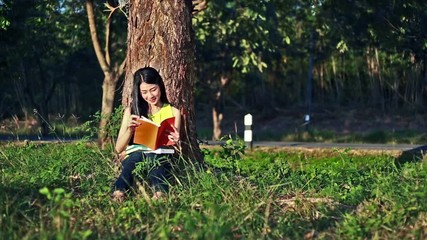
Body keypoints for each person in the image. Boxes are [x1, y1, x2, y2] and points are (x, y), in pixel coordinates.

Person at [112, 67, 181, 202]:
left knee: (158, 161)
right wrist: (130, 130)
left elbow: (176, 149)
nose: (150, 96)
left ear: (160, 86)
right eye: (144, 92)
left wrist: (177, 141)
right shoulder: (131, 111)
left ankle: (160, 194)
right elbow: (118, 148)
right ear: (138, 92)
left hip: (160, 153)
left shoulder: (173, 112)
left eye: (153, 89)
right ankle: (119, 192)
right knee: (131, 162)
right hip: (135, 153)